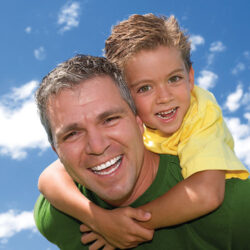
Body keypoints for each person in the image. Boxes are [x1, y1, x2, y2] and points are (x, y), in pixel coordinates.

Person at [37, 14, 249, 249]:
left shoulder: (200, 113)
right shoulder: (55, 218)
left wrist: (125, 225)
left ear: (190, 78)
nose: (165, 97)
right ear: (125, 97)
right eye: (145, 88)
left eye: (174, 79)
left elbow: (207, 193)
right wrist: (98, 218)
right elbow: (50, 176)